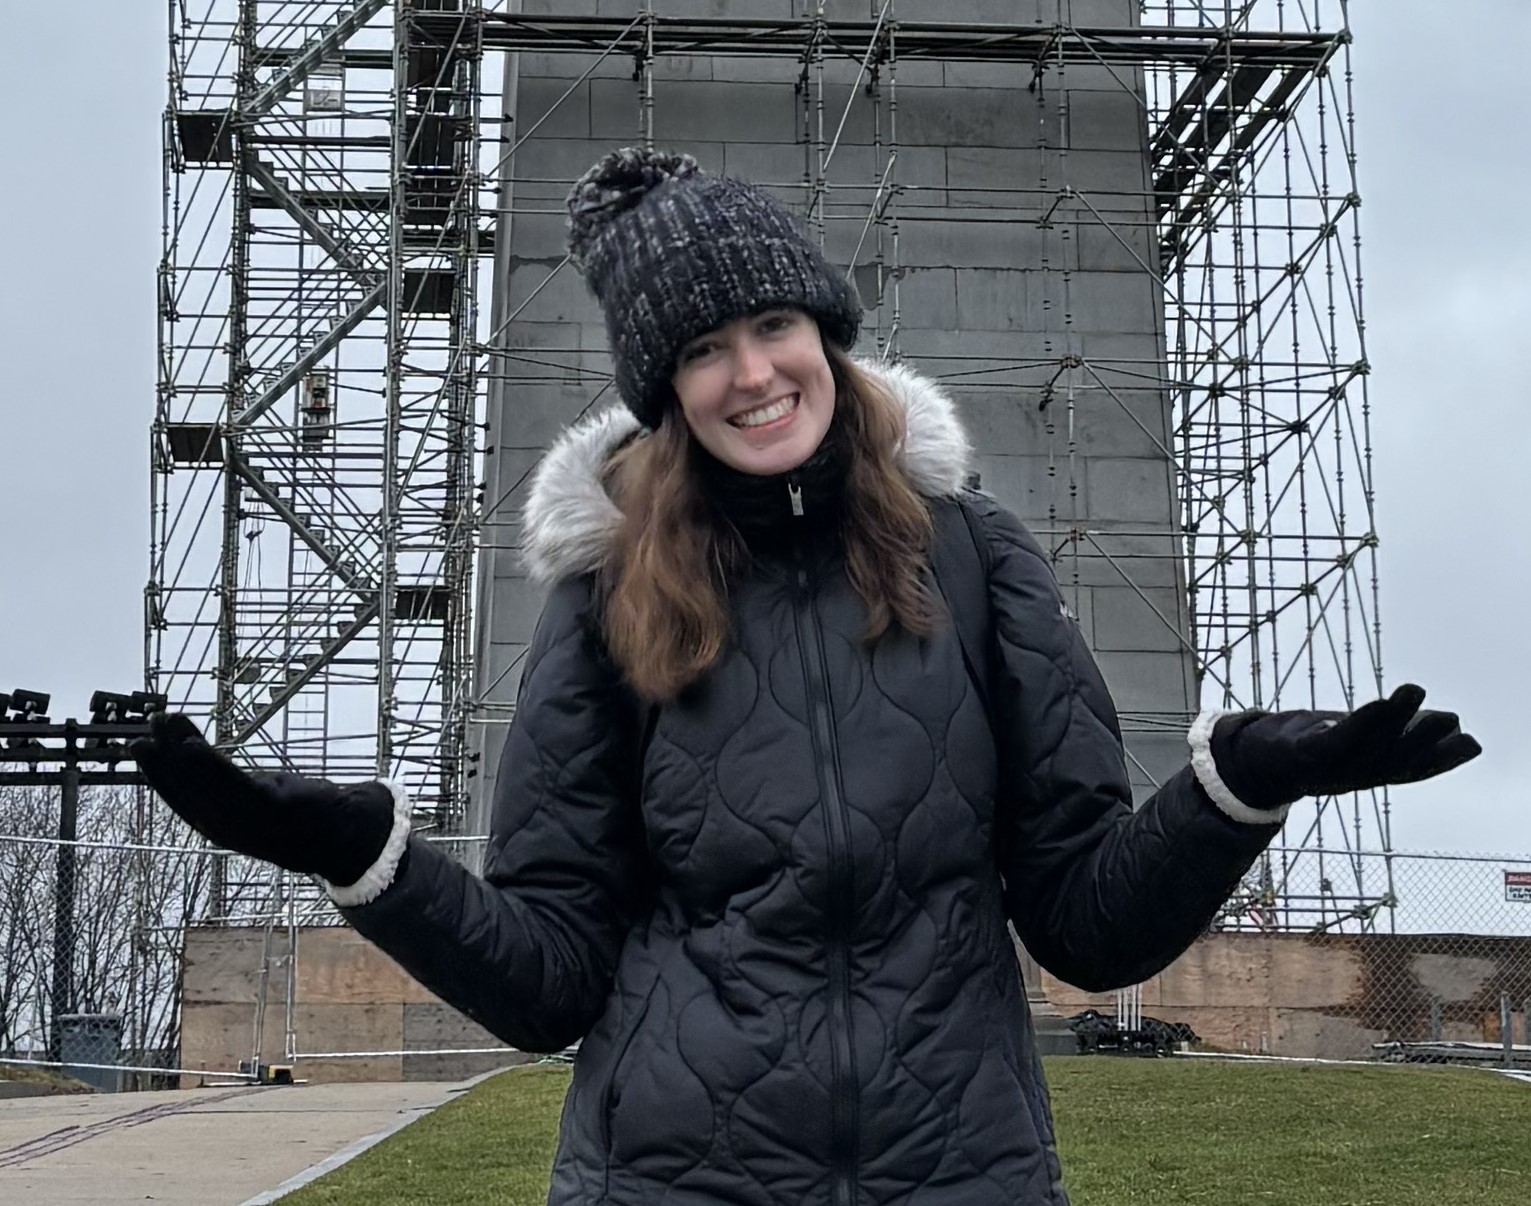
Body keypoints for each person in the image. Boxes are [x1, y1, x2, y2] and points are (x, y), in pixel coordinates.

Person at [132, 147, 1481, 1206]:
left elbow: (1088, 920)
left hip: (964, 1173)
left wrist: (1237, 786)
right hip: (668, 1176)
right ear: (665, 389)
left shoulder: (977, 561)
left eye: (773, 323)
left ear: (826, 335)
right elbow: (548, 979)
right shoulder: (606, 606)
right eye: (703, 348)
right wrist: (366, 856)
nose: (751, 372)